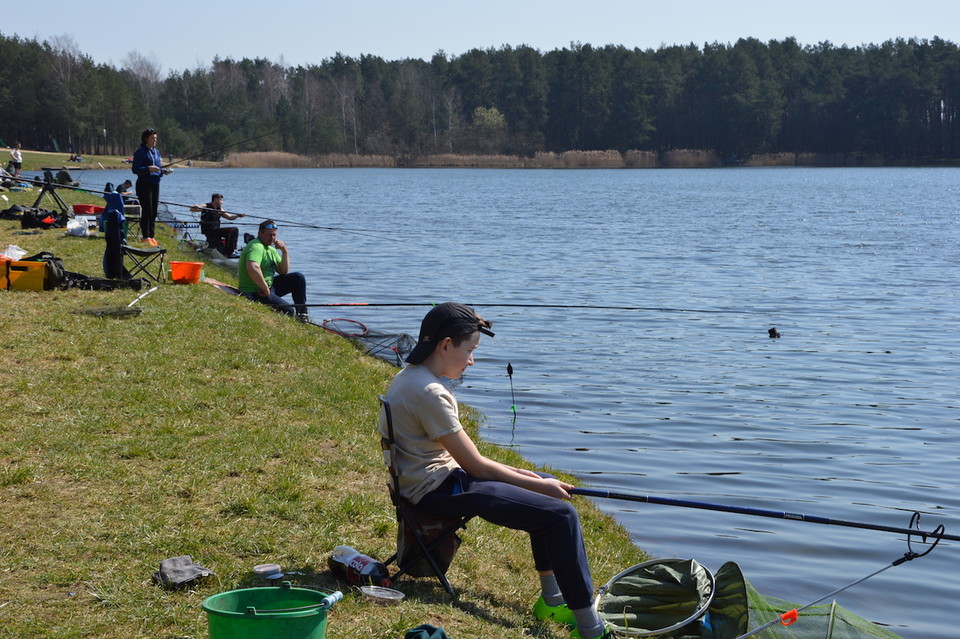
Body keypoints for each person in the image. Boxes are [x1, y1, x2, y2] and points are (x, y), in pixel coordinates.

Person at [379, 303, 612, 639]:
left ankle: (551, 600)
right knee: (562, 515)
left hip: (435, 480)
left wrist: (530, 477)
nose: (472, 360)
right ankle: (591, 628)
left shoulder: (411, 377)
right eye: (470, 350)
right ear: (445, 345)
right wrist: (538, 486)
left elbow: (470, 461)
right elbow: (476, 466)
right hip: (434, 492)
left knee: (541, 485)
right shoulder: (429, 393)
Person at [238, 219, 308, 319]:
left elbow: (283, 271)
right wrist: (265, 288)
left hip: (269, 287)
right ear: (260, 233)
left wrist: (284, 251)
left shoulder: (270, 249)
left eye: (274, 235)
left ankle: (302, 314)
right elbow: (252, 267)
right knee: (289, 311)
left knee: (298, 278)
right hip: (255, 291)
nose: (272, 238)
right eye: (269, 235)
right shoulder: (256, 246)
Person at [131, 128, 172, 247]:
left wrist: (163, 171)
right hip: (144, 184)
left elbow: (157, 168)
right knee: (147, 210)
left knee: (154, 211)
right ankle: (145, 237)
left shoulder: (157, 152)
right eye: (152, 138)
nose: (155, 140)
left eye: (156, 138)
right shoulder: (140, 152)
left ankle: (152, 236)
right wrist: (148, 168)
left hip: (155, 183)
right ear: (146, 139)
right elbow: (135, 170)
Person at [190, 193, 244, 258]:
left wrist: (238, 216)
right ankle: (229, 252)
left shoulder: (220, 209)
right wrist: (196, 206)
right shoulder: (207, 206)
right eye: (221, 200)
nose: (222, 202)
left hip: (216, 229)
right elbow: (193, 209)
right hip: (209, 230)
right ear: (216, 199)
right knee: (232, 230)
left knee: (235, 230)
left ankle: (230, 251)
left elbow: (230, 217)